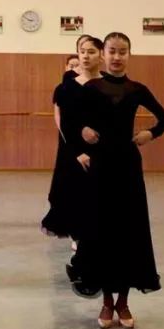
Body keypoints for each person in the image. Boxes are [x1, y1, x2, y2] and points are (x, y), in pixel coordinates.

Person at [67, 32, 164, 329]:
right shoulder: (90, 88)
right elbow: (70, 122)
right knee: (101, 231)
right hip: (100, 165)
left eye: (122, 51)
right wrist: (83, 131)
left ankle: (123, 301)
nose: (116, 56)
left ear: (129, 55)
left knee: (128, 232)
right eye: (111, 51)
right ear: (103, 54)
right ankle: (106, 301)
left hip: (127, 165)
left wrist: (149, 134)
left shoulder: (137, 89)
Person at [42, 41, 103, 244]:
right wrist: (76, 144)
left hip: (99, 144)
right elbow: (63, 119)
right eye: (81, 52)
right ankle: (77, 235)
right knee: (73, 187)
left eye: (90, 52)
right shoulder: (65, 87)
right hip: (72, 143)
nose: (84, 57)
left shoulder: (104, 84)